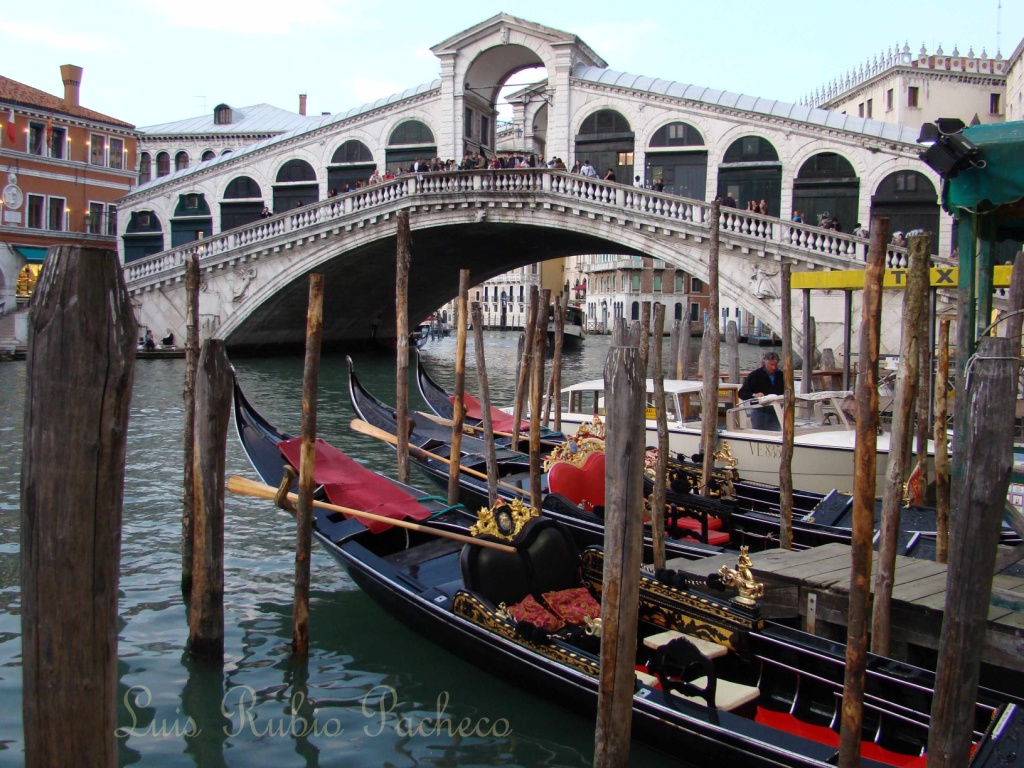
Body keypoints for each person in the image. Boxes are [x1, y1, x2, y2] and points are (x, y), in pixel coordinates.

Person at [738, 351, 784, 430]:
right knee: (759, 435)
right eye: (771, 365)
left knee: (775, 436)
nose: (774, 367)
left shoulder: (781, 375)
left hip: (776, 411)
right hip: (759, 411)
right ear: (765, 363)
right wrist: (754, 395)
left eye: (776, 365)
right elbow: (742, 393)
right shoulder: (755, 375)